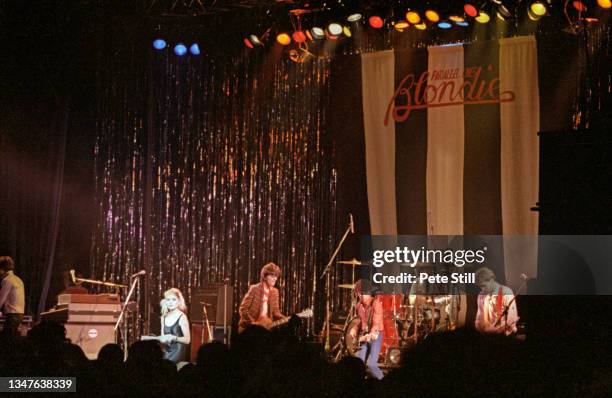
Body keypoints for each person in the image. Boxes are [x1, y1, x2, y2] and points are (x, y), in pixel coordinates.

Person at [349, 279, 384, 380]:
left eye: (363, 293)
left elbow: (376, 323)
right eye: (359, 293)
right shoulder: (359, 306)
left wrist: (371, 334)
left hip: (376, 335)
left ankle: (383, 382)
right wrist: (354, 329)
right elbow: (359, 321)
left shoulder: (376, 304)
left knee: (372, 365)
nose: (361, 296)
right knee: (359, 363)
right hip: (365, 336)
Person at [238, 262, 288, 332]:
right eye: (272, 276)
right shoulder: (254, 289)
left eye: (276, 276)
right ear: (265, 276)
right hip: (248, 329)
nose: (275, 279)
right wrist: (253, 324)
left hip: (264, 329)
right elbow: (243, 309)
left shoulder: (275, 292)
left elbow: (276, 312)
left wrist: (287, 319)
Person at [474, 267, 519, 335]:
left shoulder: (506, 292)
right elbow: (480, 318)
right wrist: (483, 328)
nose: (482, 289)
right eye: (480, 287)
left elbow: (511, 320)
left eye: (484, 286)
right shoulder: (481, 295)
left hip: (506, 335)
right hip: (488, 334)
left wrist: (497, 330)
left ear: (491, 280)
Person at [159, 288, 191, 363]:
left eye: (174, 299)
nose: (171, 302)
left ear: (179, 301)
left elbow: (187, 340)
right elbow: (163, 338)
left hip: (178, 353)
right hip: (166, 352)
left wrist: (174, 338)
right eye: (168, 300)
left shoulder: (182, 317)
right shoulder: (163, 317)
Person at [0, 256, 25, 336]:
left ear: (2, 269)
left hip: (12, 315)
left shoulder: (7, 280)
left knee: (6, 340)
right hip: (19, 313)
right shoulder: (18, 279)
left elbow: (1, 299)